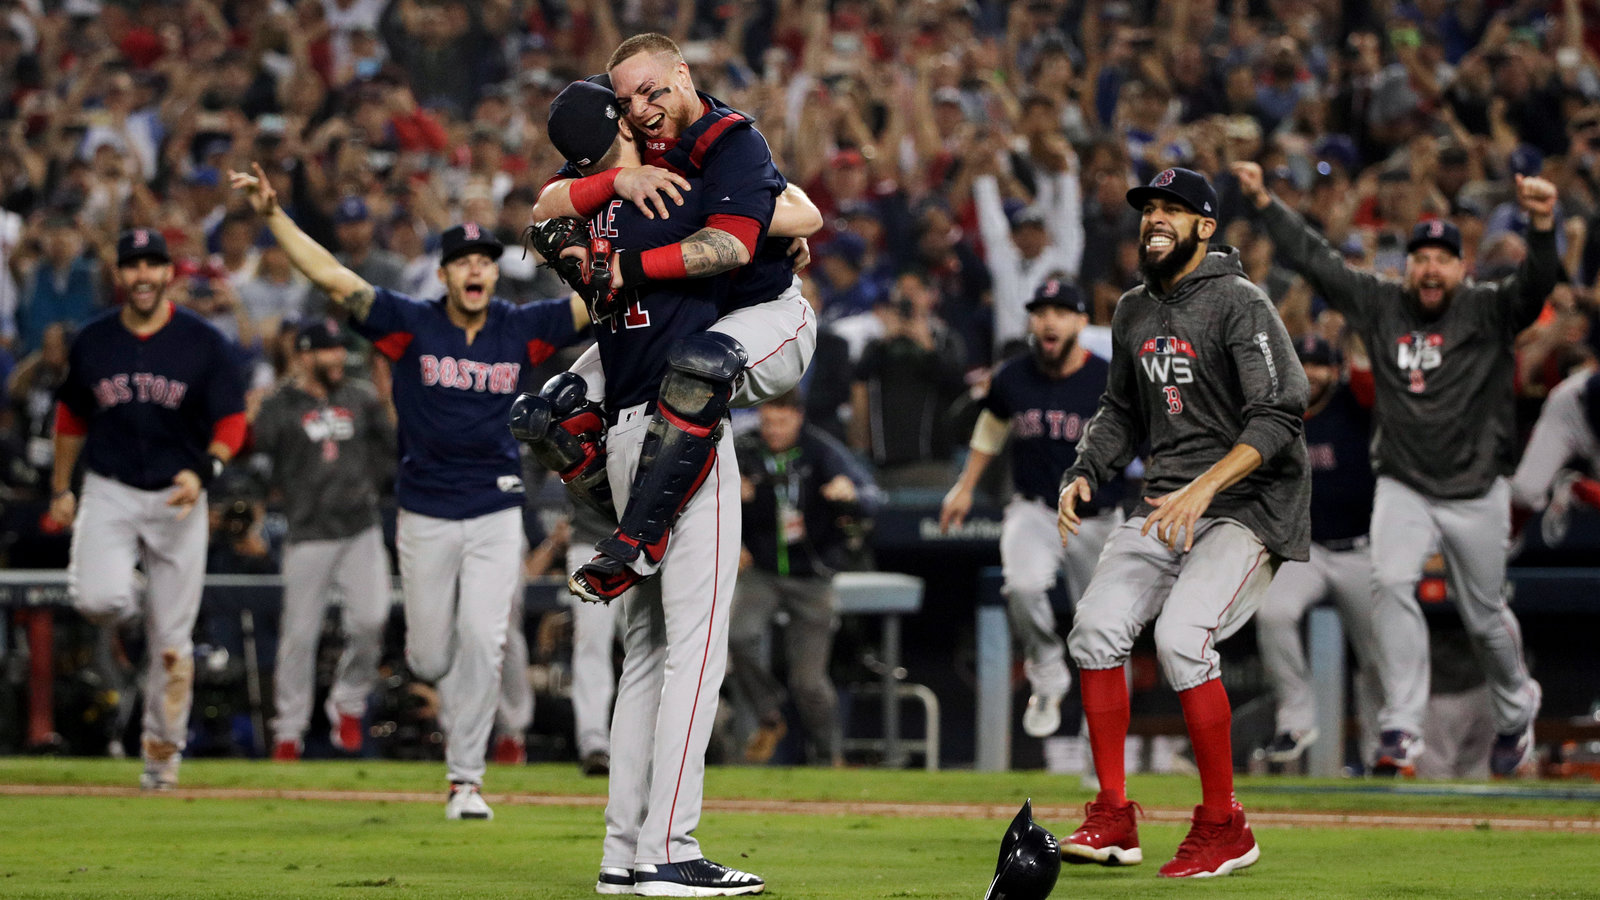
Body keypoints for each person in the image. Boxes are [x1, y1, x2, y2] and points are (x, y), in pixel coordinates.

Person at [511, 75, 822, 898]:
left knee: (645, 657)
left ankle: (621, 854)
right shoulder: (670, 192)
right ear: (620, 121)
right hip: (677, 433)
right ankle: (670, 849)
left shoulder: (586, 215)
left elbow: (544, 211)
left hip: (621, 429)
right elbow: (795, 215)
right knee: (695, 651)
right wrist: (769, 235)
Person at [231, 163, 589, 819]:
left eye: (485, 261)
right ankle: (449, 728)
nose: (475, 270)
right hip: (425, 511)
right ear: (443, 273)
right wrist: (274, 215)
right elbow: (333, 277)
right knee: (427, 656)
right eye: (463, 262)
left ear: (493, 273)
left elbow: (597, 299)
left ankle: (466, 780)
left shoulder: (521, 326)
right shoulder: (411, 323)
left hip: (495, 507)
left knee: (486, 637)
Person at [1237, 161, 1559, 778]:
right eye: (1421, 258)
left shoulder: (1489, 309)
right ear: (1407, 266)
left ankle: (1517, 707)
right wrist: (1264, 202)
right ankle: (1403, 725)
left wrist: (1543, 225)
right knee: (1389, 582)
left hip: (1475, 489)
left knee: (1485, 617)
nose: (1431, 269)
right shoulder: (1381, 303)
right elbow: (1316, 260)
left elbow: (1537, 283)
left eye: (1443, 259)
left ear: (1462, 268)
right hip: (1404, 484)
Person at [1055, 168, 1309, 878]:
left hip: (1247, 507)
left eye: (1174, 208)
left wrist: (1206, 487)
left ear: (1205, 226)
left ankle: (1225, 824)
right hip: (1167, 503)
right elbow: (1121, 410)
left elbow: (1281, 412)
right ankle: (1113, 816)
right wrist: (1085, 469)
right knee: (1094, 630)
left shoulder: (1240, 301)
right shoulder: (1133, 309)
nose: (1156, 218)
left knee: (1181, 638)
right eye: (1150, 209)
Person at [530, 36, 817, 604]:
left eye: (649, 92)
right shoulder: (630, 137)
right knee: (551, 415)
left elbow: (801, 212)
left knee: (696, 368)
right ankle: (637, 509)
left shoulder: (723, 138)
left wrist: (626, 266)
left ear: (682, 75)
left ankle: (641, 533)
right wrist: (617, 181)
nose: (639, 110)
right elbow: (546, 205)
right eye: (626, 102)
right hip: (691, 313)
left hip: (760, 309)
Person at [47, 227, 248, 789]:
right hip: (110, 488)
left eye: (152, 265)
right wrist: (61, 488)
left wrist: (205, 471)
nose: (142, 275)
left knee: (172, 648)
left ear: (168, 274)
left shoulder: (201, 342)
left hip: (178, 494)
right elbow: (70, 418)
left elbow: (232, 420)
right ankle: (136, 598)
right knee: (97, 598)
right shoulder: (93, 340)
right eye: (132, 265)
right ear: (119, 274)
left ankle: (161, 762)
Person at [939, 278, 1118, 742]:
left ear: (1081, 322)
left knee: (1102, 632)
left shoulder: (1109, 379)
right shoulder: (1013, 375)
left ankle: (1102, 748)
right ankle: (1047, 672)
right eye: (1040, 313)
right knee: (1021, 585)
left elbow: (1145, 438)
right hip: (1035, 508)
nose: (1048, 321)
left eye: (1060, 312)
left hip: (1098, 516)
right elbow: (993, 424)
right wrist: (965, 486)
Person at [251, 316, 395, 760]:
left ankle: (348, 702)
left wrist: (387, 396)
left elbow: (391, 447)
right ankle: (289, 731)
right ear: (305, 355)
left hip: (360, 528)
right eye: (328, 350)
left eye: (339, 349)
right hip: (308, 531)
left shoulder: (360, 396)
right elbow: (257, 458)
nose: (338, 357)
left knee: (371, 620)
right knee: (299, 635)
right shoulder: (280, 404)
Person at [1252, 335, 1383, 767]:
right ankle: (1295, 720)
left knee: (1377, 655)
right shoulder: (1277, 411)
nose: (1309, 372)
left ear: (1335, 370)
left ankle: (1382, 751)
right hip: (1304, 551)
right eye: (1302, 362)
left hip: (1360, 549)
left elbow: (1367, 376)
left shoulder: (1354, 404)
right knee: (1272, 612)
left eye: (1318, 364)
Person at [729, 390, 878, 766]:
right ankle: (770, 713)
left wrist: (850, 494)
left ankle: (830, 757)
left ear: (798, 417)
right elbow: (698, 497)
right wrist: (728, 497)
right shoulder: (742, 449)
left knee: (808, 682)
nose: (773, 430)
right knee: (738, 635)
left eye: (781, 422)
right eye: (767, 422)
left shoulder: (821, 451)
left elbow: (873, 497)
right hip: (762, 571)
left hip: (812, 575)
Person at [1511, 366, 1600, 545]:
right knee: (1526, 493)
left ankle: (1577, 487)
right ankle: (1504, 541)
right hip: (1572, 410)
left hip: (1596, 425)